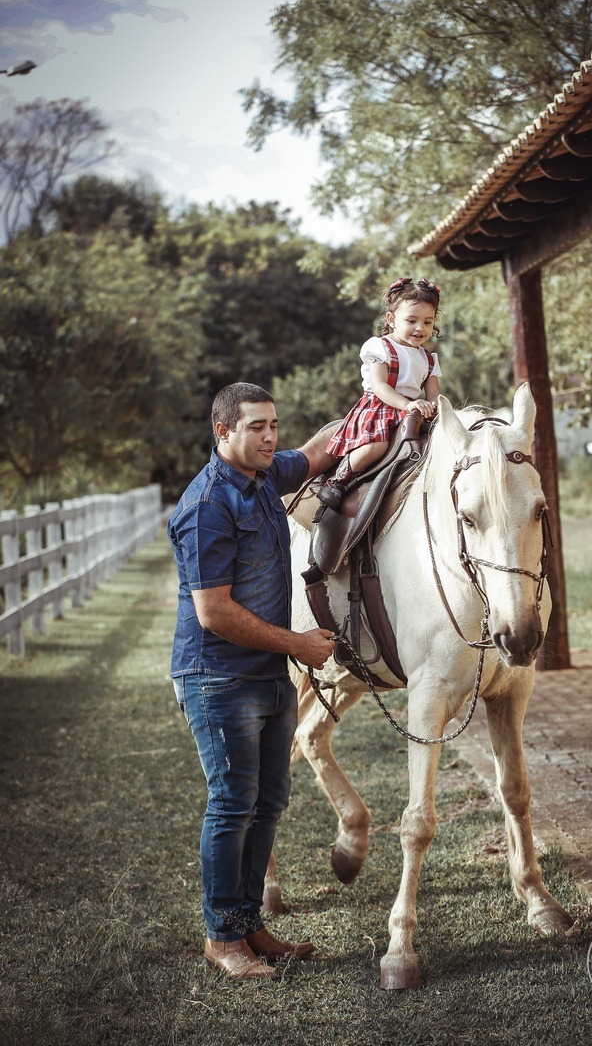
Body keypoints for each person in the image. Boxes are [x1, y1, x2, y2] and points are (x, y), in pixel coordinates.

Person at [167, 382, 337, 982]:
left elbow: (316, 454)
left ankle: (249, 925)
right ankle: (222, 938)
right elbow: (213, 611)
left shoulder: (266, 472)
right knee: (232, 804)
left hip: (267, 673)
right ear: (223, 433)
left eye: (273, 425)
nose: (270, 437)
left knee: (268, 802)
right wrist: (299, 646)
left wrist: (375, 408)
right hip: (217, 677)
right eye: (256, 427)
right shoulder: (207, 506)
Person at [317, 276, 443, 510]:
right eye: (412, 320)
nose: (420, 328)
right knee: (377, 447)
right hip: (381, 408)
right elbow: (380, 386)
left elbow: (434, 394)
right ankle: (339, 479)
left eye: (428, 322)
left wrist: (441, 410)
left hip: (413, 413)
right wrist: (408, 405)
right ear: (391, 319)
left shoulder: (428, 358)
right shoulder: (381, 347)